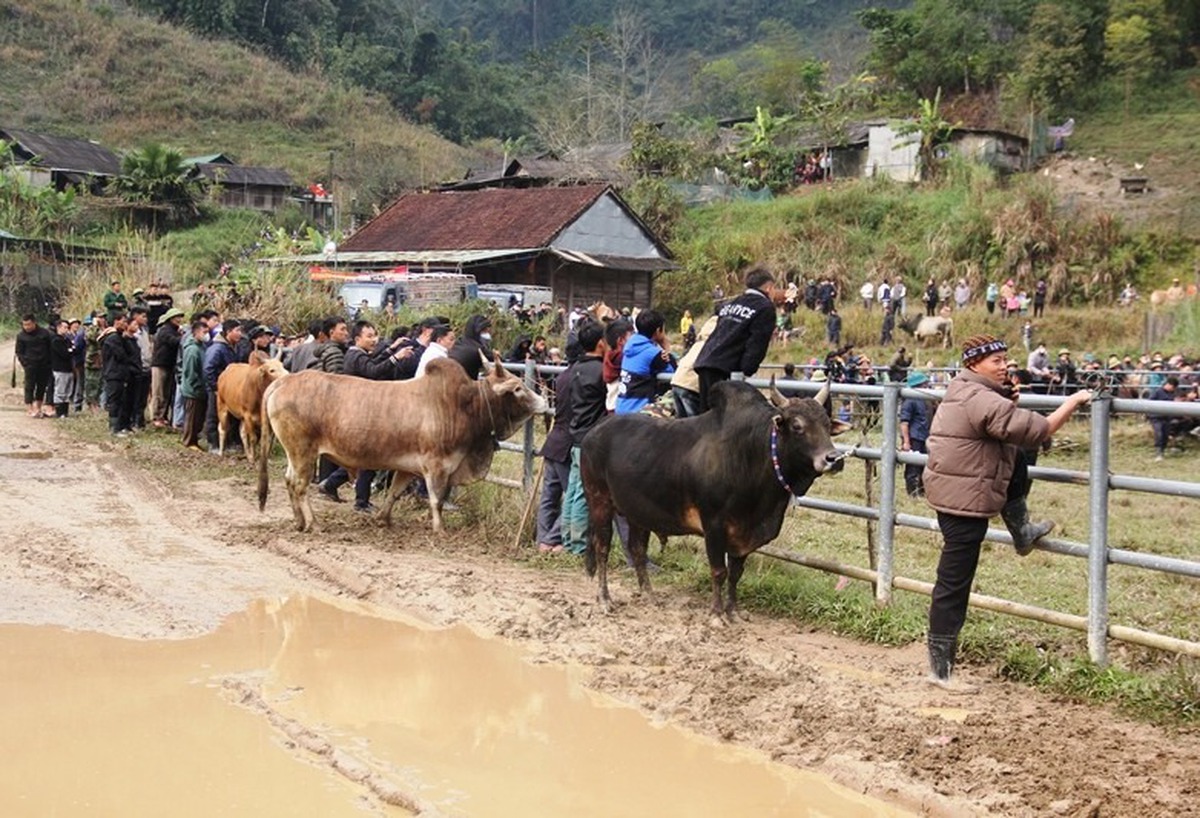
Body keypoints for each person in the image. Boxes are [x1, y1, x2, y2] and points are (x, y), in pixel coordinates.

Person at [922, 333, 1093, 688]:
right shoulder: (981, 398)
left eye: (1005, 359)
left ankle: (1021, 529)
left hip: (956, 493)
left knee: (1014, 458)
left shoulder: (964, 388)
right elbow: (1038, 430)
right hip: (964, 502)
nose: (1004, 366)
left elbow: (999, 427)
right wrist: (1074, 400)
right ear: (974, 364)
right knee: (953, 585)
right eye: (996, 361)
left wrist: (1005, 396)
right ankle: (941, 673)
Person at [693, 265, 779, 413]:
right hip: (725, 369)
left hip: (705, 361)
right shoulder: (764, 307)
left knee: (707, 417)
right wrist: (746, 370)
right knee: (724, 420)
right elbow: (757, 343)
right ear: (769, 287)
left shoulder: (731, 303)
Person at [561, 322, 609, 555]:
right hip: (591, 438)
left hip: (576, 435)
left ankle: (568, 539)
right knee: (582, 492)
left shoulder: (576, 368)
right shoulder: (601, 371)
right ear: (601, 343)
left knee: (572, 489)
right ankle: (579, 545)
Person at [616, 309, 674, 415]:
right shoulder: (653, 353)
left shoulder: (630, 346)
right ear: (658, 330)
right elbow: (674, 373)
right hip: (638, 413)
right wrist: (666, 347)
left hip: (621, 407)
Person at [670, 314, 718, 419]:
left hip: (677, 381)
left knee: (681, 424)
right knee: (696, 425)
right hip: (691, 386)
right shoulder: (713, 346)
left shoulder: (698, 343)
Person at [899, 371, 932, 497]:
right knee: (913, 466)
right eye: (924, 383)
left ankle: (922, 491)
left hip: (925, 436)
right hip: (915, 437)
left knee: (925, 465)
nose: (927, 385)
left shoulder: (926, 399)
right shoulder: (910, 400)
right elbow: (904, 422)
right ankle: (912, 492)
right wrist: (906, 441)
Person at [150, 307, 185, 428]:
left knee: (166, 393)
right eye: (176, 317)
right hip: (160, 364)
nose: (179, 319)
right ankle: (156, 416)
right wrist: (183, 337)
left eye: (180, 317)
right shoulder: (165, 330)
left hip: (169, 365)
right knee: (158, 392)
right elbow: (174, 341)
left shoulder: (175, 330)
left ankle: (162, 416)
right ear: (170, 319)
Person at [15, 314, 54, 418]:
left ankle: (38, 407)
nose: (27, 327)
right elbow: (19, 351)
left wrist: (49, 362)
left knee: (41, 386)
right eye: (24, 325)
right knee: (29, 386)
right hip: (30, 365)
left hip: (44, 364)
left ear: (34, 323)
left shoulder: (45, 333)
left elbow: (50, 348)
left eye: (28, 324)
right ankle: (29, 408)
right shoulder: (21, 336)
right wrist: (25, 363)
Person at [179, 320, 209, 451]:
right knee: (192, 417)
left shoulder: (202, 347)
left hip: (201, 388)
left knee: (198, 418)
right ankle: (189, 441)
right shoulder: (192, 350)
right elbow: (190, 373)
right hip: (193, 390)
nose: (206, 335)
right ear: (196, 332)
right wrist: (197, 386)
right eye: (204, 332)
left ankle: (194, 440)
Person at [1148, 376, 1181, 461]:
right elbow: (1150, 403)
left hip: (1167, 417)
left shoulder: (1172, 393)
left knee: (1165, 434)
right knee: (1159, 433)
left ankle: (1162, 450)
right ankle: (1159, 452)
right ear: (1169, 385)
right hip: (1156, 417)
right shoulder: (1157, 392)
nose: (1173, 389)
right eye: (1173, 387)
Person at [49, 320, 76, 418]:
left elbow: (73, 350)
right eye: (64, 327)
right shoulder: (56, 340)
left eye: (67, 327)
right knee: (60, 391)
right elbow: (65, 354)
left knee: (68, 391)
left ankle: (65, 411)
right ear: (58, 328)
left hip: (69, 369)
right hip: (60, 369)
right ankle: (59, 412)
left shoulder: (67, 340)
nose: (66, 329)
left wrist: (71, 350)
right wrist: (70, 350)